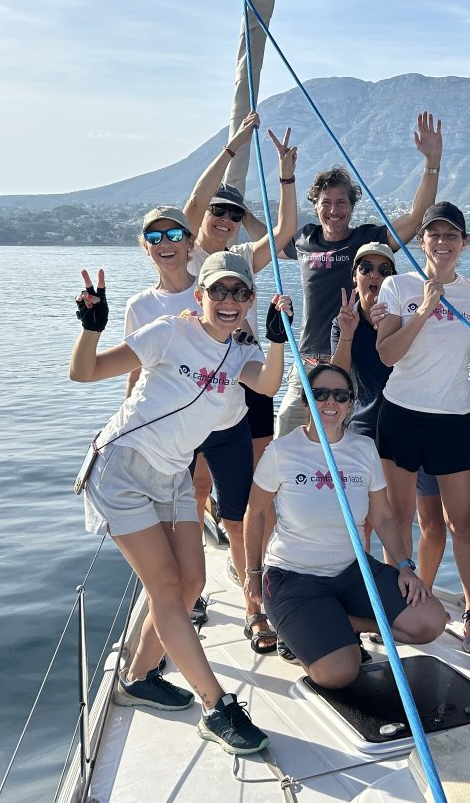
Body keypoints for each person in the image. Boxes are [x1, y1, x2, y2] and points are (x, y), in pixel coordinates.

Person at [69, 250, 290, 755]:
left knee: (192, 582)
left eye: (239, 292)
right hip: (122, 466)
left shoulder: (239, 354)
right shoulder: (169, 331)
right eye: (219, 291)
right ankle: (216, 706)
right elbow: (84, 372)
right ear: (200, 295)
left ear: (251, 302)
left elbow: (270, 383)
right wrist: (92, 326)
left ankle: (139, 675)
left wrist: (276, 339)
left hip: (172, 473)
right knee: (168, 588)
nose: (229, 301)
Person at [169, 120, 299, 654]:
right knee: (192, 489)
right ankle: (192, 589)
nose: (223, 220)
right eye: (216, 212)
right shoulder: (184, 258)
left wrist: (287, 174)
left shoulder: (244, 261)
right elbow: (195, 200)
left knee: (244, 496)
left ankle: (252, 599)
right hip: (190, 392)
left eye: (232, 214)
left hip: (241, 387)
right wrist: (230, 148)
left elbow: (286, 230)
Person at [243, 364, 447, 687]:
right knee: (341, 672)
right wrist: (253, 573)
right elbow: (254, 513)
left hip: (352, 572)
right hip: (294, 579)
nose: (330, 402)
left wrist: (406, 567)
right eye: (320, 394)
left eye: (340, 395)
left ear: (350, 403)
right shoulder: (282, 452)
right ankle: (305, 628)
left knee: (431, 622)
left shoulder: (363, 449)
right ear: (305, 402)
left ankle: (344, 621)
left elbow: (381, 517)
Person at [273, 111, 443, 438]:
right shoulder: (303, 240)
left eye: (342, 203)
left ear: (352, 206)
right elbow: (270, 235)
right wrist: (285, 177)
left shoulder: (368, 241)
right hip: (307, 364)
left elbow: (416, 217)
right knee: (287, 439)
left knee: (347, 451)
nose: (334, 210)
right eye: (327, 203)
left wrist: (432, 162)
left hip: (351, 364)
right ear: (316, 205)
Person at [374, 201, 470, 653]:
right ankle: (397, 603)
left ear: (464, 243)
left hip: (453, 419)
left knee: (460, 522)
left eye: (451, 236)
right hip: (401, 414)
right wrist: (423, 310)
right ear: (421, 240)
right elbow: (387, 355)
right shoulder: (397, 285)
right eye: (434, 235)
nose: (442, 243)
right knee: (399, 518)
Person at [329, 243, 443, 573]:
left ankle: (422, 590)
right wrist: (348, 334)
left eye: (384, 270)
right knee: (370, 522)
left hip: (419, 425)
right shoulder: (344, 322)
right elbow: (337, 382)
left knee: (433, 521)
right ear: (355, 278)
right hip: (368, 433)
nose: (375, 275)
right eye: (366, 268)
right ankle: (374, 596)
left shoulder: (408, 315)